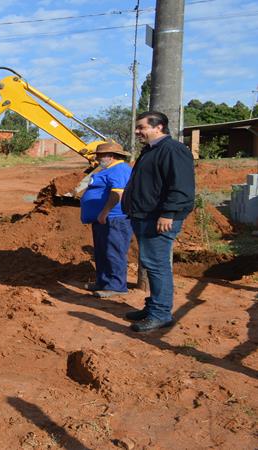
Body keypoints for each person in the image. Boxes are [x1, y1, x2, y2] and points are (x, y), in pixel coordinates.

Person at [122, 111, 195, 332]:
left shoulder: (173, 150)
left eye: (141, 127)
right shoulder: (151, 151)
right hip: (145, 216)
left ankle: (161, 313)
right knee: (152, 264)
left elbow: (181, 187)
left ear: (159, 127)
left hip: (158, 219)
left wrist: (169, 213)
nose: (137, 132)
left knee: (157, 266)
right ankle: (154, 306)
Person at [80, 142, 133, 298]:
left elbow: (117, 194)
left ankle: (116, 286)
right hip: (103, 218)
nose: (97, 159)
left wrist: (104, 212)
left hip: (114, 219)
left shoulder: (120, 169)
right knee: (102, 252)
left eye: (100, 156)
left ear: (111, 156)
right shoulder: (109, 169)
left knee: (114, 252)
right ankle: (103, 282)